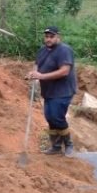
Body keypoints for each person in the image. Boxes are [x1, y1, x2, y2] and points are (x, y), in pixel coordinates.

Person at [25, 26, 77, 156]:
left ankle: (69, 145)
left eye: (51, 37)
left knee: (57, 117)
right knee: (50, 118)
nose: (48, 39)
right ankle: (56, 146)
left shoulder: (64, 50)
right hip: (49, 91)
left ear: (58, 37)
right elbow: (37, 64)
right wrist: (34, 73)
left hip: (63, 90)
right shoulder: (42, 50)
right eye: (46, 37)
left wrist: (42, 76)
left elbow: (65, 71)